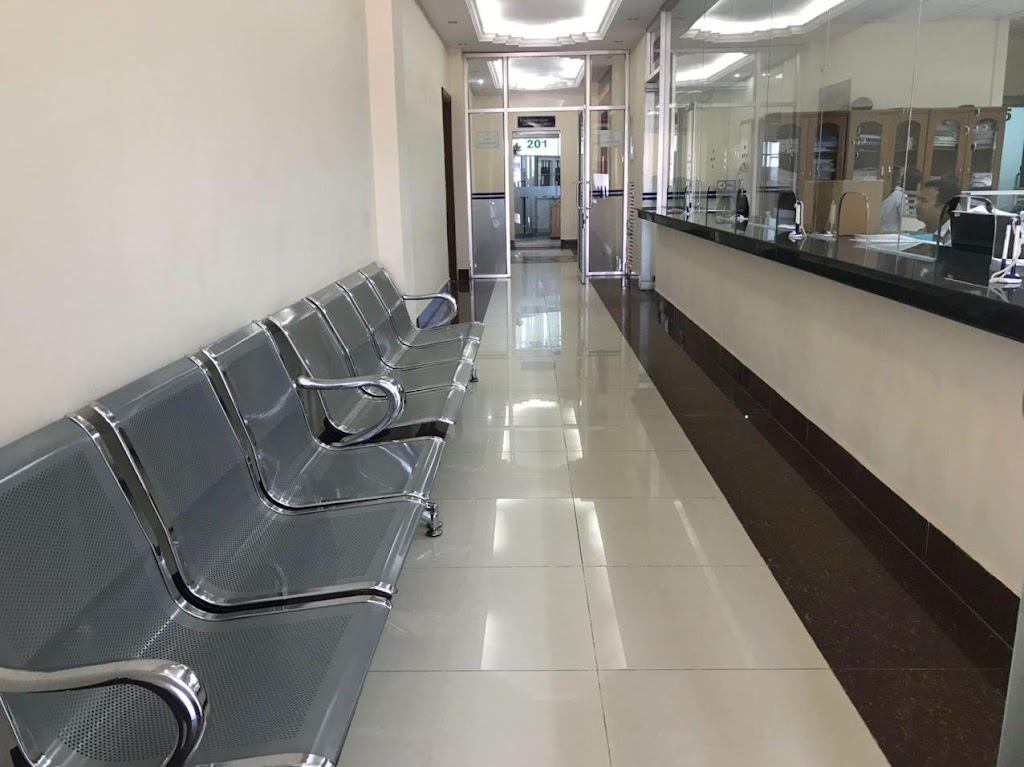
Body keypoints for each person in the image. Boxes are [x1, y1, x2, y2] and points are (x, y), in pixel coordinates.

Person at [915, 176, 973, 245]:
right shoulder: (920, 234)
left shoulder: (956, 241)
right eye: (918, 199)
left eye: (924, 201)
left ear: (945, 209)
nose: (917, 205)